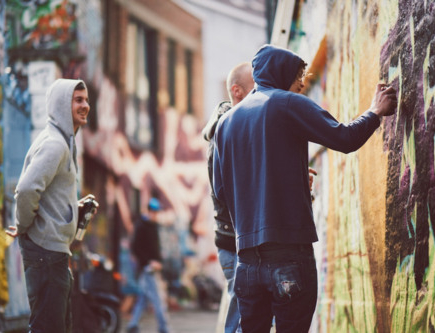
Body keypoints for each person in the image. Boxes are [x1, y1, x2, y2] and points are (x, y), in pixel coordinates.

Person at [212, 44, 397, 333]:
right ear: (281, 73)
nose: (301, 85)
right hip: (288, 256)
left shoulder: (225, 123)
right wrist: (375, 111)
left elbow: (222, 192)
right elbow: (345, 138)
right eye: (299, 77)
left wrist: (286, 179)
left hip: (246, 264)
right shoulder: (286, 103)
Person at [6, 79, 95, 332]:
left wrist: (73, 209)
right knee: (49, 327)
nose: (85, 105)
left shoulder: (61, 141)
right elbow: (26, 189)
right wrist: (24, 227)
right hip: (46, 252)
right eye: (78, 100)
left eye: (86, 100)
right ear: (60, 104)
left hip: (51, 251)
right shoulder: (55, 145)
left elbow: (44, 194)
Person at [202, 62, 254, 333]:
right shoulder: (227, 131)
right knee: (242, 320)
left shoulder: (233, 126)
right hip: (234, 242)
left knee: (245, 318)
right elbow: (226, 190)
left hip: (236, 241)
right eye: (255, 89)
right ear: (237, 91)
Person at [126, 197, 170, 333]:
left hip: (153, 267)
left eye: (157, 212)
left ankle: (133, 324)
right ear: (149, 211)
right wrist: (149, 262)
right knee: (157, 298)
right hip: (147, 268)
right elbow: (135, 248)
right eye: (153, 211)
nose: (155, 214)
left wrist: (159, 262)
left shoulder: (154, 226)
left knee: (143, 298)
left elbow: (156, 248)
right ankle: (163, 328)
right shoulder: (141, 226)